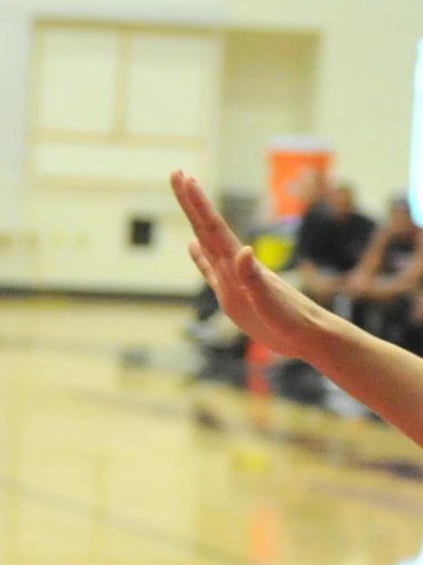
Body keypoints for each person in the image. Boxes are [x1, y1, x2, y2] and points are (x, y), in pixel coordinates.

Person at [176, 172, 423, 448]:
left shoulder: (374, 227)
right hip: (321, 281)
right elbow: (327, 265)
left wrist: (313, 332)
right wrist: (313, 327)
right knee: (275, 289)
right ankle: (217, 332)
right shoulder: (334, 225)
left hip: (369, 290)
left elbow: (407, 278)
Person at [343, 193, 423, 340]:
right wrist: (380, 242)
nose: (399, 222)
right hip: (390, 290)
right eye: (395, 217)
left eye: (403, 217)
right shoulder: (385, 236)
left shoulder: (419, 238)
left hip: (413, 293)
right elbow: (365, 269)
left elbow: (411, 280)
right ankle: (356, 343)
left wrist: (376, 289)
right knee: (355, 295)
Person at [288, 179, 376, 310]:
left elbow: (372, 255)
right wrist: (315, 282)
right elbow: (303, 258)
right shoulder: (314, 222)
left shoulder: (365, 225)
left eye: (345, 203)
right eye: (337, 202)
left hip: (351, 275)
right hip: (320, 273)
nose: (341, 206)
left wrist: (359, 276)